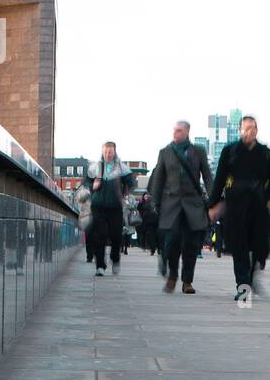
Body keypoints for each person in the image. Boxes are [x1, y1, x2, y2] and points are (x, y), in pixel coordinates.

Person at [207, 115, 270, 300]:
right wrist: (213, 205)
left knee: (258, 248)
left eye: (253, 128)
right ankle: (243, 285)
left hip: (258, 206)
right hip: (236, 206)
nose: (249, 131)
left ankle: (251, 278)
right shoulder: (230, 152)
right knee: (239, 247)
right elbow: (219, 180)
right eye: (246, 128)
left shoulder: (266, 154)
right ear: (240, 130)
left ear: (257, 130)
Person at [148, 120, 214, 295]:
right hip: (171, 204)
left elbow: (207, 175)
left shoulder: (198, 151)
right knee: (171, 243)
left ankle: (187, 282)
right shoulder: (165, 152)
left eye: (179, 130)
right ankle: (172, 275)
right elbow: (158, 179)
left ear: (187, 132)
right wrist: (155, 202)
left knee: (191, 245)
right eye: (174, 130)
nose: (175, 133)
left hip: (193, 204)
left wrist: (213, 199)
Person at [82, 141, 136, 276]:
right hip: (98, 206)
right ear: (102, 152)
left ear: (114, 152)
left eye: (110, 152)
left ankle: (115, 258)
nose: (107, 154)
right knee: (99, 237)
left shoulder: (121, 168)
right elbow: (85, 183)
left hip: (115, 207)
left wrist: (125, 192)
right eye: (105, 152)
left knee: (116, 237)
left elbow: (131, 182)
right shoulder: (95, 167)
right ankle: (100, 266)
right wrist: (92, 186)